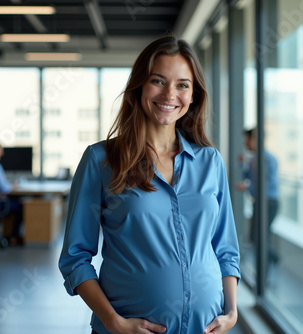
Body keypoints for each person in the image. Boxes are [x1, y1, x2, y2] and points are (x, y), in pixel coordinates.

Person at [58, 36, 241, 334]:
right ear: (140, 86)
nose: (170, 94)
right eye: (158, 81)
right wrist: (113, 322)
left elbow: (226, 249)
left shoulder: (210, 161)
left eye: (183, 84)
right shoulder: (101, 160)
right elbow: (75, 257)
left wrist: (232, 311)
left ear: (193, 95)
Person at [236, 128, 279, 264]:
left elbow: (267, 184)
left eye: (247, 140)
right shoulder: (255, 158)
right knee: (256, 238)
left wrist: (248, 187)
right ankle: (266, 271)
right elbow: (248, 177)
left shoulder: (268, 159)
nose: (246, 144)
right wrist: (243, 164)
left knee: (260, 239)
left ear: (255, 140)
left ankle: (274, 261)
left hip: (268, 203)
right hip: (260, 203)